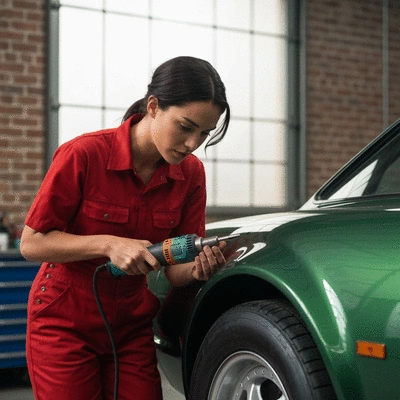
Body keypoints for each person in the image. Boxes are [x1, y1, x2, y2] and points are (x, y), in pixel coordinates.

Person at [20, 56, 230, 400]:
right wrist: (108, 244)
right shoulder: (83, 154)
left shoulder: (191, 175)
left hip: (131, 325)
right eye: (185, 126)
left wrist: (200, 268)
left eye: (205, 133)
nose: (193, 143)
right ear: (153, 107)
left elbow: (177, 271)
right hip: (63, 321)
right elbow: (32, 244)